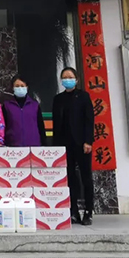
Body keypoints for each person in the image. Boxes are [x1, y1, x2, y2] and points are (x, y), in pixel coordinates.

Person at [52, 66, 95, 226]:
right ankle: (74, 211)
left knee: (86, 177)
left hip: (82, 144)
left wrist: (88, 141)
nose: (67, 80)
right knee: (70, 178)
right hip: (65, 144)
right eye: (64, 77)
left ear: (76, 80)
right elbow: (56, 124)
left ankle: (88, 211)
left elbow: (89, 120)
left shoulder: (83, 96)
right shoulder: (58, 99)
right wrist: (56, 146)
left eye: (70, 77)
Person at [3, 75, 49, 147]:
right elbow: (3, 127)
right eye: (17, 86)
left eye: (22, 86)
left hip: (33, 147)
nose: (20, 88)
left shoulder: (35, 105)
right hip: (13, 147)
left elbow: (41, 127)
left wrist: (44, 144)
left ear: (27, 87)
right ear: (13, 88)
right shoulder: (7, 106)